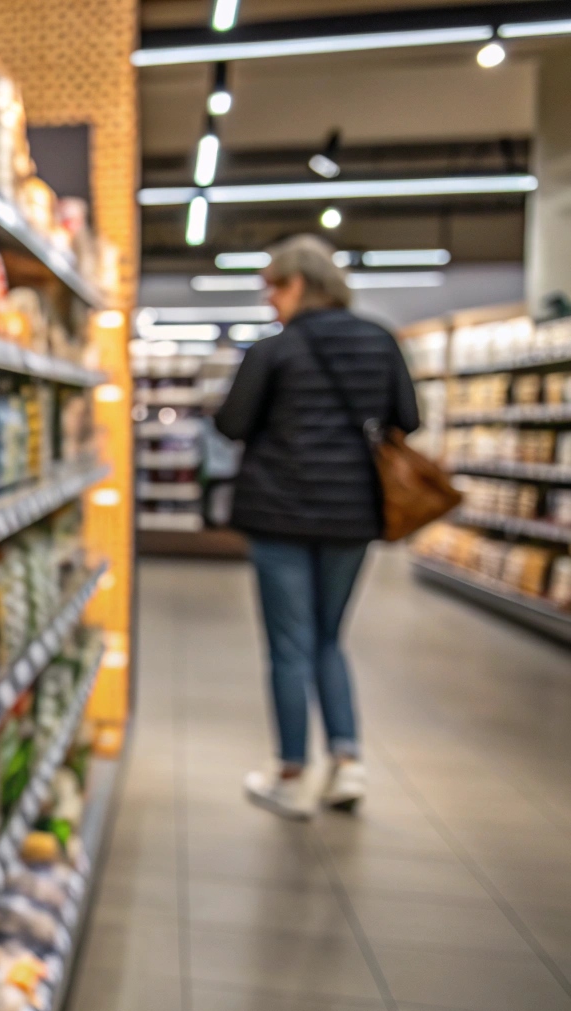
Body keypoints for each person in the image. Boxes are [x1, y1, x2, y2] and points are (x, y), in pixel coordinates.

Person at [214, 234, 419, 820]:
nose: (269, 302)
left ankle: (291, 773)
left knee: (288, 645)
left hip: (279, 512)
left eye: (272, 289)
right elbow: (409, 418)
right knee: (330, 637)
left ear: (298, 283)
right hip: (353, 512)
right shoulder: (380, 341)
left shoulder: (274, 351)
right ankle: (348, 762)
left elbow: (232, 423)